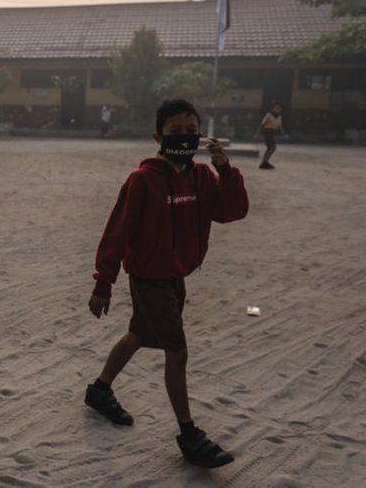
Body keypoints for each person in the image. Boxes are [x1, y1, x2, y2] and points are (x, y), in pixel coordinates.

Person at [84, 99, 248, 469]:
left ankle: (100, 389)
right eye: (177, 132)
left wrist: (226, 169)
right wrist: (104, 281)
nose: (185, 138)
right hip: (149, 276)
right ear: (159, 136)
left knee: (141, 334)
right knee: (176, 351)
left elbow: (231, 211)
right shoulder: (143, 180)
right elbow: (118, 231)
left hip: (176, 275)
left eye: (192, 131)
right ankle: (189, 434)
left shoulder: (203, 177)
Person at [254, 101, 284, 169]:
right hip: (268, 132)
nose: (277, 109)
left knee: (270, 148)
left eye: (279, 108)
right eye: (276, 108)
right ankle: (264, 162)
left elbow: (279, 126)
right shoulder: (268, 115)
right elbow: (262, 125)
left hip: (273, 133)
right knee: (273, 147)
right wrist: (257, 133)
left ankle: (264, 162)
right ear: (272, 108)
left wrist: (282, 133)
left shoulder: (279, 117)